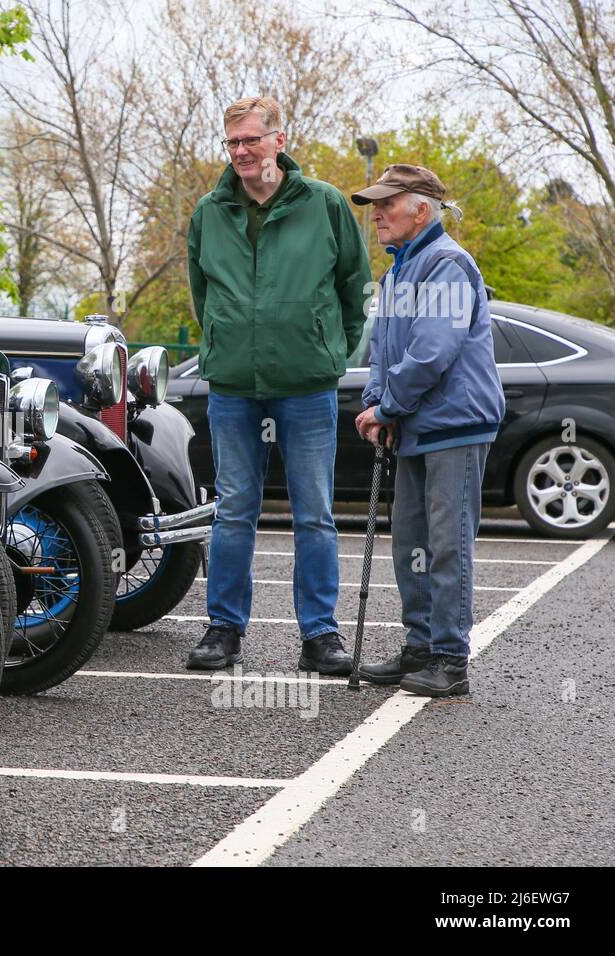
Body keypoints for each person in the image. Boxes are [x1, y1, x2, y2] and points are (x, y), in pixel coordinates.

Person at [186, 96, 372, 674]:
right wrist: (224, 341)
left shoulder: (326, 204)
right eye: (232, 143)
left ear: (278, 140)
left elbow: (355, 288)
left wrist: (330, 353)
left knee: (314, 511)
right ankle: (223, 629)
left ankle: (320, 635)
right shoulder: (208, 212)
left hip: (307, 385)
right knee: (233, 509)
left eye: (251, 140)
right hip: (234, 386)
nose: (242, 152)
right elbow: (203, 295)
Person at [351, 164, 505, 697]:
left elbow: (431, 352)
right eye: (374, 204)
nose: (377, 214)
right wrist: (377, 400)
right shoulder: (399, 270)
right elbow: (383, 351)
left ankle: (450, 658)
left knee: (447, 544)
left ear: (421, 209)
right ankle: (420, 646)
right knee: (411, 543)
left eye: (386, 204)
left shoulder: (447, 263)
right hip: (417, 425)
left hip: (454, 426)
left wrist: (387, 406)